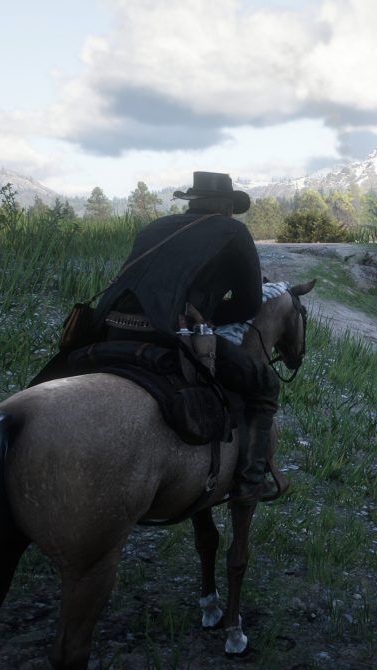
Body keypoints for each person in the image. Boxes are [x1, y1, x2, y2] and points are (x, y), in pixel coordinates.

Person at [88, 171, 281, 504]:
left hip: (110, 327)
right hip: (171, 335)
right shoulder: (233, 232)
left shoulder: (155, 227)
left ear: (192, 202)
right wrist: (207, 315)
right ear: (228, 208)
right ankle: (250, 482)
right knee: (265, 383)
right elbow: (249, 305)